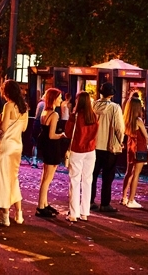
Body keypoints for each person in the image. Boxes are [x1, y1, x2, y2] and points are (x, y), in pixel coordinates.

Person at [0, 79, 28, 226]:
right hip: (17, 146)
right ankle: (19, 214)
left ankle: (5, 215)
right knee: (13, 179)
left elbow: (4, 127)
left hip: (6, 146)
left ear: (6, 92)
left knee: (3, 180)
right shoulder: (24, 107)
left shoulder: (8, 106)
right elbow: (24, 128)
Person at [90, 82, 124, 213]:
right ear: (112, 94)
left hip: (93, 146)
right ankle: (105, 203)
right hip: (109, 147)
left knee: (92, 175)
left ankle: (90, 201)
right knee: (108, 177)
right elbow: (119, 128)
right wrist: (121, 141)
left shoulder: (93, 105)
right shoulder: (115, 108)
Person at [65, 91, 98, 222]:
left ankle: (74, 213)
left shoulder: (75, 116)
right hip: (90, 150)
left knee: (74, 180)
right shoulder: (93, 116)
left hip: (77, 149)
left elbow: (68, 133)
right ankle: (85, 212)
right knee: (87, 180)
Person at [35, 88, 66, 218]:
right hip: (52, 147)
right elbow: (52, 135)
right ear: (53, 99)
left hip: (46, 146)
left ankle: (44, 203)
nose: (61, 100)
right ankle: (41, 207)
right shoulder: (54, 115)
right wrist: (61, 135)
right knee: (47, 178)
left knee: (45, 177)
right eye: (59, 97)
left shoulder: (44, 112)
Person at [121, 95, 148, 209]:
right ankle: (131, 200)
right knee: (136, 174)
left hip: (131, 147)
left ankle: (124, 197)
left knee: (128, 172)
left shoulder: (126, 120)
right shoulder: (138, 120)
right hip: (140, 148)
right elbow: (146, 136)